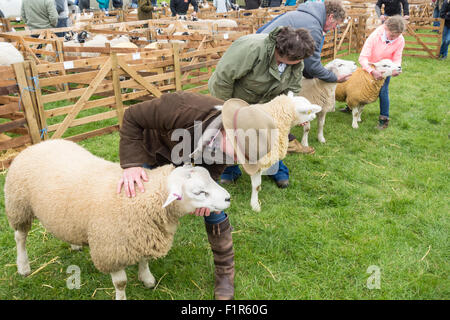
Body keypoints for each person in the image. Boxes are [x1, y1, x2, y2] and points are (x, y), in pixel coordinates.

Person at [208, 26, 315, 188]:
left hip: (268, 103)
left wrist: (290, 112)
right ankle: (230, 168)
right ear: (285, 54)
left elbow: (292, 89)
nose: (300, 63)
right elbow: (222, 79)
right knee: (232, 133)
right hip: (238, 97)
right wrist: (225, 109)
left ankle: (274, 166)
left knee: (272, 132)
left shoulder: (296, 63)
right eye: (298, 60)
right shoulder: (251, 49)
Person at [256, 0, 349, 153]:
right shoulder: (313, 26)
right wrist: (334, 78)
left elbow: (262, 30)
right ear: (331, 17)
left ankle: (281, 141)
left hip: (267, 56)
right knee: (269, 104)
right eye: (336, 25)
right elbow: (312, 65)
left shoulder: (301, 14)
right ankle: (277, 146)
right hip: (265, 62)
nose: (334, 29)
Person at [357, 15, 406, 129]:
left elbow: (397, 57)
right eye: (392, 35)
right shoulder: (375, 36)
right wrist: (371, 70)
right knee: (360, 87)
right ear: (386, 28)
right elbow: (363, 57)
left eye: (397, 35)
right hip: (370, 66)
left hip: (385, 69)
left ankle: (384, 119)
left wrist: (396, 68)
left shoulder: (400, 39)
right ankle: (351, 106)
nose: (394, 38)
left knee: (383, 91)